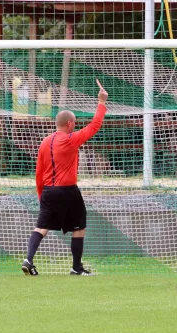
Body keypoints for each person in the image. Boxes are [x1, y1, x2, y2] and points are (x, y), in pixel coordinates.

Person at [22, 79, 108, 276]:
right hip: (68, 191)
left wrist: (40, 195)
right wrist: (101, 102)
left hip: (48, 192)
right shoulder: (71, 140)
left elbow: (38, 171)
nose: (76, 126)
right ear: (69, 124)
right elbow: (94, 126)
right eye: (75, 123)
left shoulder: (45, 142)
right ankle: (76, 267)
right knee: (79, 226)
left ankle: (28, 259)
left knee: (41, 227)